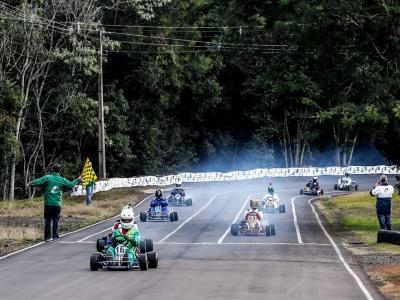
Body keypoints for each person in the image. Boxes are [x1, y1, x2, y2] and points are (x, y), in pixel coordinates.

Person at [27, 163, 80, 242]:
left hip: (48, 203)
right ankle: (55, 237)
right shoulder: (62, 179)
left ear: (52, 170)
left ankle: (47, 238)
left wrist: (30, 183)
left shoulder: (47, 178)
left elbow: (38, 181)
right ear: (59, 170)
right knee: (56, 220)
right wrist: (77, 179)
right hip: (57, 204)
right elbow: (70, 185)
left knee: (47, 220)